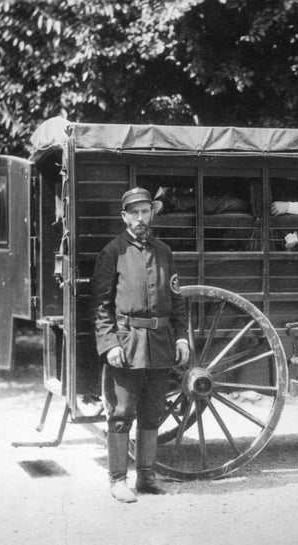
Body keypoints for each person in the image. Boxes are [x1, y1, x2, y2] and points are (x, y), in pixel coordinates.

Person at [92, 187, 190, 503]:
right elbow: (101, 306)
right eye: (133, 213)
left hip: (160, 344)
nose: (139, 218)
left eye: (144, 212)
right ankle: (118, 480)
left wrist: (181, 336)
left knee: (152, 413)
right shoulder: (112, 253)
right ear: (124, 217)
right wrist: (110, 344)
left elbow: (176, 301)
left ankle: (147, 477)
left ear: (151, 214)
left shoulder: (164, 252)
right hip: (126, 344)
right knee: (121, 413)